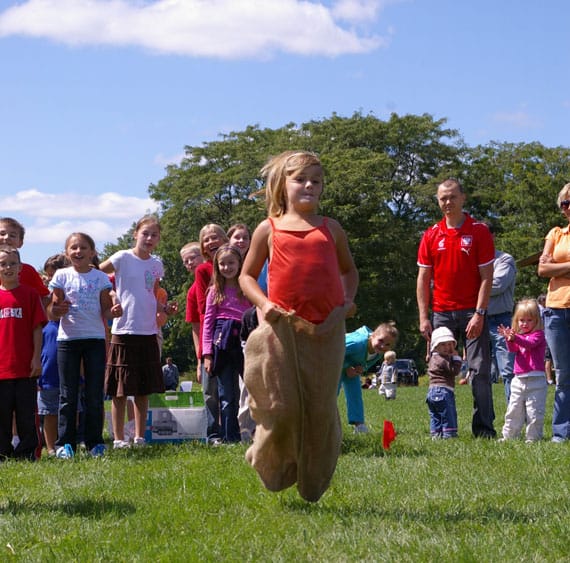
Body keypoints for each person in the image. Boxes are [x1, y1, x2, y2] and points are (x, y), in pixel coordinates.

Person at [240, 150, 358, 502]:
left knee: (320, 409)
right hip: (282, 330)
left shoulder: (330, 229)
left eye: (316, 181)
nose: (309, 185)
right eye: (300, 179)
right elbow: (246, 276)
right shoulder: (269, 229)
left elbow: (349, 272)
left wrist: (347, 301)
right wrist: (264, 304)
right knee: (283, 407)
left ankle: (312, 478)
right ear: (283, 185)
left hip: (326, 331)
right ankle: (265, 456)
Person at [417, 177, 496, 438]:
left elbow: (487, 276)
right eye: (443, 198)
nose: (447, 202)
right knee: (439, 369)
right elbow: (424, 279)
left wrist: (480, 313)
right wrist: (423, 317)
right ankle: (443, 428)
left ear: (463, 198)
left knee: (479, 370)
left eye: (452, 197)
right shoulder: (431, 235)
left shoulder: (479, 231)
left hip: (472, 312)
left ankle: (483, 429)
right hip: (441, 314)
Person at [100, 215, 177, 449]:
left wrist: (165, 308)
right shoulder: (122, 257)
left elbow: (152, 293)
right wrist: (112, 297)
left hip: (148, 331)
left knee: (143, 390)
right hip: (123, 329)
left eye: (154, 235)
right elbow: (98, 276)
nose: (149, 238)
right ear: (136, 234)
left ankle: (139, 437)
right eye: (145, 233)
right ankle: (118, 439)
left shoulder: (156, 264)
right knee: (120, 390)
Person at [48, 233, 122, 458]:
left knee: (93, 394)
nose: (78, 251)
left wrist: (115, 312)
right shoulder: (61, 276)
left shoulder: (100, 278)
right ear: (66, 252)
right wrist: (58, 309)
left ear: (92, 252)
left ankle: (94, 442)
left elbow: (106, 311)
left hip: (95, 339)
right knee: (67, 394)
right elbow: (52, 311)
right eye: (73, 248)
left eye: (83, 247)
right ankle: (65, 444)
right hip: (67, 341)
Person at [0, 245, 46, 461]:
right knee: (2, 415)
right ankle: (3, 452)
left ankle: (28, 453)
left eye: (12, 263)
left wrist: (36, 357)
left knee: (27, 415)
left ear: (20, 268)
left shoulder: (30, 294)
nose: (7, 267)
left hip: (25, 367)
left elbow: (37, 328)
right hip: (2, 369)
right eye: (2, 264)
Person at [202, 244, 251, 443]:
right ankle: (229, 436)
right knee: (226, 393)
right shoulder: (215, 291)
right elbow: (208, 324)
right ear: (216, 266)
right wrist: (207, 354)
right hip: (221, 342)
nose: (227, 267)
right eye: (222, 263)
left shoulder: (247, 289)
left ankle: (250, 432)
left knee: (249, 390)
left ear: (240, 263)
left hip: (244, 339)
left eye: (231, 262)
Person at [538, 183, 570, 442]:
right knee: (562, 374)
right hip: (557, 309)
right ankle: (561, 432)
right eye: (565, 204)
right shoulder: (556, 234)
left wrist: (557, 266)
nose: (569, 208)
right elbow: (542, 270)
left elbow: (550, 267)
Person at [194, 224, 229, 444]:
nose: (210, 242)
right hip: (212, 332)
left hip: (233, 331)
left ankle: (231, 430)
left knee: (230, 389)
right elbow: (201, 310)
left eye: (215, 237)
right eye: (206, 239)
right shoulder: (203, 271)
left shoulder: (235, 265)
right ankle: (213, 433)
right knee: (210, 390)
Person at [498, 299, 547, 442]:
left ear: (537, 320)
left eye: (529, 320)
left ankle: (533, 437)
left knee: (534, 411)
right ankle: (509, 435)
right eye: (521, 320)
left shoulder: (538, 335)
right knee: (514, 409)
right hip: (519, 378)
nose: (524, 324)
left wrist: (515, 337)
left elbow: (529, 344)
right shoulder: (519, 337)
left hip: (536, 379)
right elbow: (512, 349)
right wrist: (509, 338)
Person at [37, 253, 69, 457]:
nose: (51, 280)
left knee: (70, 408)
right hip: (48, 365)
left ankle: (67, 442)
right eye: (49, 276)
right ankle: (50, 447)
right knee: (49, 411)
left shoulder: (74, 295)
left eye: (55, 275)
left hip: (69, 361)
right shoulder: (43, 298)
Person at [340, 323, 398, 432]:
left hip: (351, 369)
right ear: (372, 336)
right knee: (331, 393)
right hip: (333, 364)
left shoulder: (379, 353)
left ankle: (359, 425)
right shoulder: (357, 343)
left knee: (355, 393)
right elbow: (335, 350)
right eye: (380, 341)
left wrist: (360, 368)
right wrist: (346, 366)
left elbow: (367, 362)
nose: (382, 346)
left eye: (387, 345)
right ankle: (322, 420)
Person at [486, 222, 516, 403]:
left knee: (508, 371)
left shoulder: (504, 259)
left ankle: (515, 419)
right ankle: (484, 422)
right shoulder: (471, 261)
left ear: (493, 236)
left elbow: (498, 285)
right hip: (477, 318)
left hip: (501, 321)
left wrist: (470, 286)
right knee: (480, 373)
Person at [0, 217, 50, 307]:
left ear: (20, 243)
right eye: (2, 234)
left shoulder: (28, 271)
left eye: (12, 235)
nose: (6, 237)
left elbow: (44, 298)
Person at [426, 326, 462, 439]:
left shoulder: (434, 358)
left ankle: (436, 434)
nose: (447, 347)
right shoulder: (442, 359)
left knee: (435, 415)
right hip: (443, 391)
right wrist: (456, 359)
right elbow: (454, 371)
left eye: (450, 344)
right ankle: (449, 434)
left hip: (432, 391)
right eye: (443, 345)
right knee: (448, 414)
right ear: (435, 347)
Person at [180, 242, 204, 381]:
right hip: (207, 349)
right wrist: (199, 360)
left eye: (192, 258)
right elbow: (195, 327)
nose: (189, 263)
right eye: (185, 261)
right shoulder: (192, 292)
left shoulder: (222, 278)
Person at [537, 294, 555, 385]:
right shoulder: (542, 311)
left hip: (545, 337)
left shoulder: (540, 311)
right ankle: (549, 379)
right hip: (546, 337)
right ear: (543, 301)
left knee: (547, 358)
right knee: (548, 359)